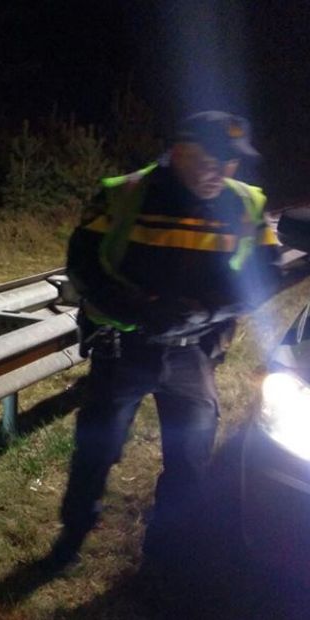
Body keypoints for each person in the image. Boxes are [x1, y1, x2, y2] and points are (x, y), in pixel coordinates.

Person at [49, 111, 281, 568]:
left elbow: (266, 275)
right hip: (125, 348)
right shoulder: (126, 194)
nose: (221, 170)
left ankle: (163, 551)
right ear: (178, 151)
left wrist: (207, 311)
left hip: (192, 354)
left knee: (191, 461)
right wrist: (140, 312)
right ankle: (71, 537)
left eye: (231, 161)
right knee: (98, 449)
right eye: (210, 158)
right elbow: (83, 265)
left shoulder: (247, 205)